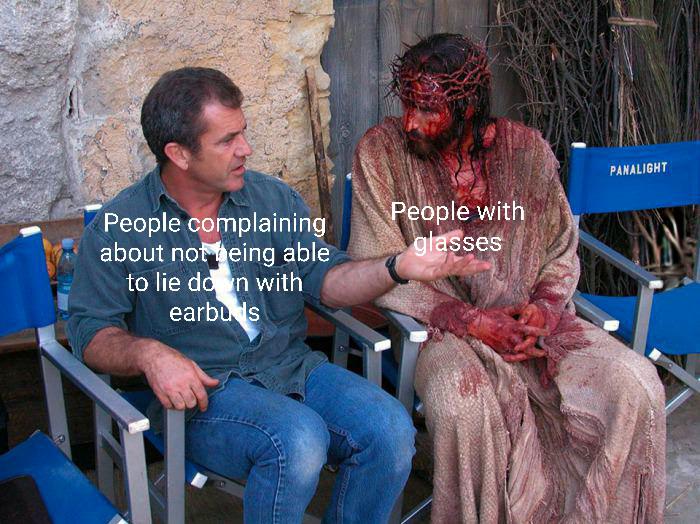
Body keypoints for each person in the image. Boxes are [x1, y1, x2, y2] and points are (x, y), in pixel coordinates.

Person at [66, 67, 490, 523]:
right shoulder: (120, 228)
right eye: (227, 140)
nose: (245, 149)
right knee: (297, 439)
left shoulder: (272, 201)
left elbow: (328, 279)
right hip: (204, 398)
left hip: (290, 367)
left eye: (243, 132)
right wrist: (149, 354)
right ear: (179, 154)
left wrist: (397, 267)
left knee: (390, 429)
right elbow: (90, 332)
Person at [348, 34, 666, 523]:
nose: (411, 121)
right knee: (463, 406)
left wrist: (546, 305)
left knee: (638, 384)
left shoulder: (528, 151)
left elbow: (560, 246)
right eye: (407, 104)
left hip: (533, 326)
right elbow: (378, 264)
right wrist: (473, 320)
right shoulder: (381, 152)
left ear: (469, 106)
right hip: (440, 330)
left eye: (428, 109)